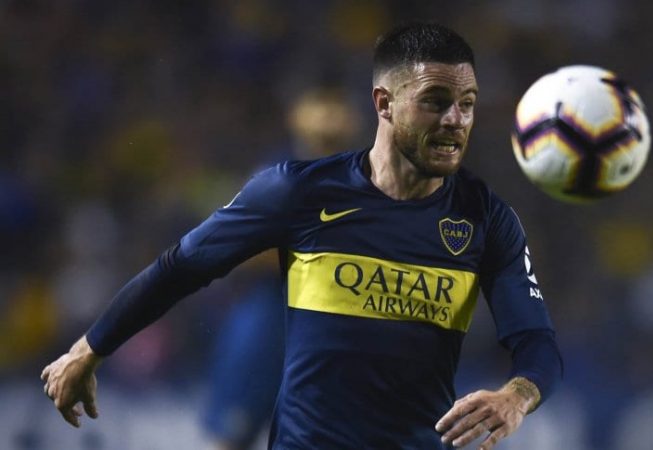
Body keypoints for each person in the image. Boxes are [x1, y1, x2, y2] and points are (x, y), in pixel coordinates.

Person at [41, 23, 563, 450]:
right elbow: (182, 267)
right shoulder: (299, 190)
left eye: (467, 103)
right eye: (436, 100)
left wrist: (516, 396)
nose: (455, 119)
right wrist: (90, 348)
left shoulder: (487, 219)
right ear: (384, 103)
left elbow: (536, 340)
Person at [201, 86, 362, 450]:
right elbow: (237, 248)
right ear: (298, 117)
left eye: (338, 109)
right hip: (271, 319)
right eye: (321, 107)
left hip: (335, 325)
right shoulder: (275, 175)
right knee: (233, 435)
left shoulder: (368, 177)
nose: (329, 119)